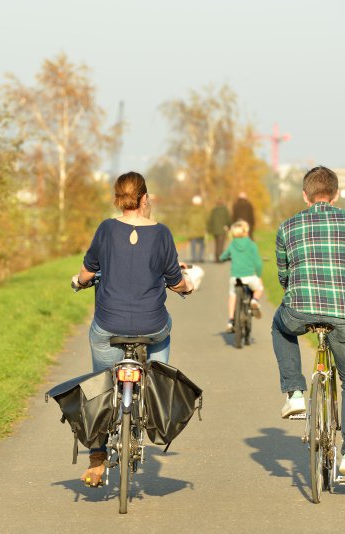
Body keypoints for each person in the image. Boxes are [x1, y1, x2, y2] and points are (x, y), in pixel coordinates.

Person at [72, 171, 195, 487]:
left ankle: (97, 459)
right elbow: (174, 280)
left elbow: (87, 273)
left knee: (100, 386)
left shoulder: (106, 229)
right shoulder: (162, 233)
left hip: (108, 324)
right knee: (161, 340)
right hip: (151, 325)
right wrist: (188, 286)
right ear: (144, 198)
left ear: (118, 199)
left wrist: (78, 282)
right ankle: (154, 384)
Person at [271, 166, 345, 486]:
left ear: (305, 195)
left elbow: (284, 277)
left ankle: (296, 392)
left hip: (300, 310)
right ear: (337, 193)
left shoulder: (288, 226)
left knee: (279, 324)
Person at [219, 220, 264, 332]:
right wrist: (258, 275)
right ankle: (254, 300)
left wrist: (224, 258)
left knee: (232, 295)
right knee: (259, 288)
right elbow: (258, 263)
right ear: (246, 232)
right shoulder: (251, 244)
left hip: (236, 278)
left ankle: (230, 321)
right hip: (250, 277)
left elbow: (222, 257)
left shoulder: (232, 245)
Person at [186, 195, 208, 262]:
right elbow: (207, 219)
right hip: (201, 230)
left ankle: (194, 258)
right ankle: (200, 257)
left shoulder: (189, 210)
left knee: (193, 245)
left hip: (192, 230)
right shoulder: (203, 210)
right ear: (200, 202)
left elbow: (186, 220)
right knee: (202, 245)